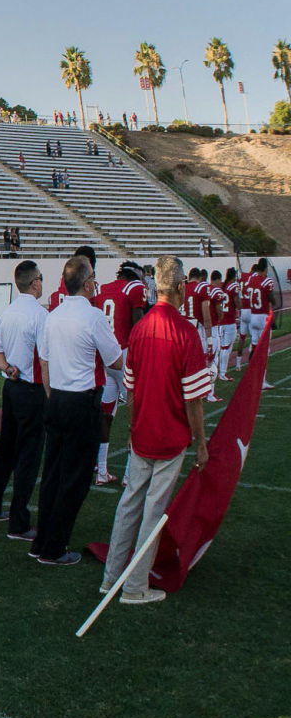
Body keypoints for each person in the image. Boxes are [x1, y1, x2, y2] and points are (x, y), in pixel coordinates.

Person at [102, 255, 213, 605]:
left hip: (142, 432)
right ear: (180, 287)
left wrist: (135, 425)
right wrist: (201, 442)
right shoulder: (184, 332)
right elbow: (194, 400)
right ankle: (134, 586)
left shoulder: (140, 328)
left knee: (129, 503)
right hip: (170, 436)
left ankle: (112, 577)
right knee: (153, 510)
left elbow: (131, 389)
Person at [32, 255, 124, 566]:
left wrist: (51, 394)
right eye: (93, 278)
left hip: (57, 398)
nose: (96, 283)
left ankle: (42, 540)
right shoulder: (93, 316)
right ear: (86, 284)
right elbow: (115, 360)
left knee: (53, 474)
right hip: (81, 402)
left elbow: (44, 361)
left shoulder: (53, 315)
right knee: (75, 478)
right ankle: (54, 547)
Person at [0, 261, 48, 539]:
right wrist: (51, 396)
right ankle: (19, 523)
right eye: (41, 279)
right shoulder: (40, 315)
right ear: (34, 283)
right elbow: (44, 361)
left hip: (11, 388)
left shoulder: (7, 312)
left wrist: (8, 369)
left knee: (5, 451)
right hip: (31, 391)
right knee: (28, 458)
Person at [95, 260, 153, 485]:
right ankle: (129, 474)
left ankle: (101, 471)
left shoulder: (102, 288)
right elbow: (138, 326)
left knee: (106, 414)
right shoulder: (134, 288)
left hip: (105, 357)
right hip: (125, 355)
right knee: (136, 413)